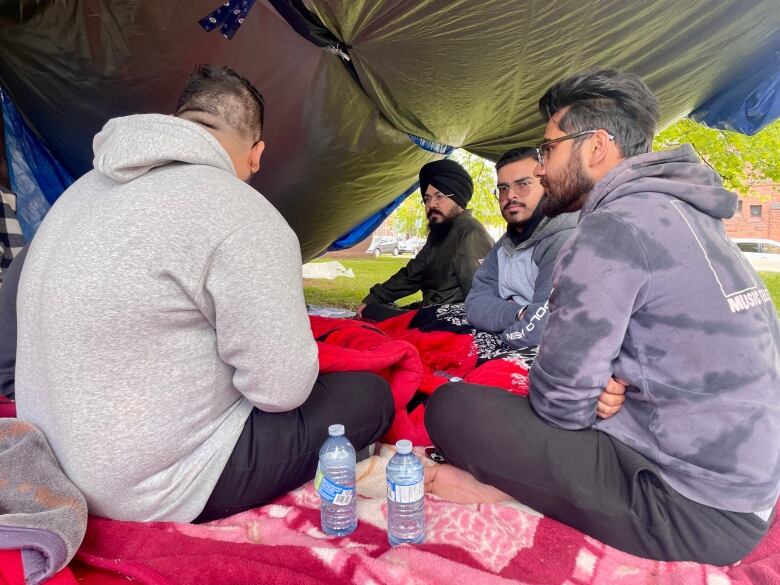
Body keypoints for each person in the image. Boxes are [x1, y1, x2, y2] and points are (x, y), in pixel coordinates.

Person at [425, 69, 780, 565]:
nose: (543, 169)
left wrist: (591, 394)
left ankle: (516, 493)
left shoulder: (613, 227)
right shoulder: (688, 212)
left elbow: (559, 406)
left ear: (595, 147)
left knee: (451, 407)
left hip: (690, 509)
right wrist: (607, 381)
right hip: (747, 487)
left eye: (547, 149)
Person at [15, 65, 394, 523]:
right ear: (257, 153)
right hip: (141, 489)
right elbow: (281, 391)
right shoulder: (242, 213)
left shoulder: (78, 193)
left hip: (43, 458)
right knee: (369, 396)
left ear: (180, 122)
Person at [465, 147, 577, 347]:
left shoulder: (564, 241)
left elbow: (542, 329)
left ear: (547, 186)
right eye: (503, 188)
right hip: (520, 332)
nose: (511, 196)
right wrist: (518, 313)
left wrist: (500, 336)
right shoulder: (504, 244)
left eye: (523, 184)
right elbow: (474, 303)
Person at [356, 159, 494, 321]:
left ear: (458, 198)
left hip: (447, 320)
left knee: (374, 315)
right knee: (373, 310)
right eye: (427, 199)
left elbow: (481, 296)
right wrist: (376, 297)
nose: (431, 205)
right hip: (430, 311)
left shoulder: (471, 233)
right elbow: (412, 274)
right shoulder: (441, 232)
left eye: (439, 196)